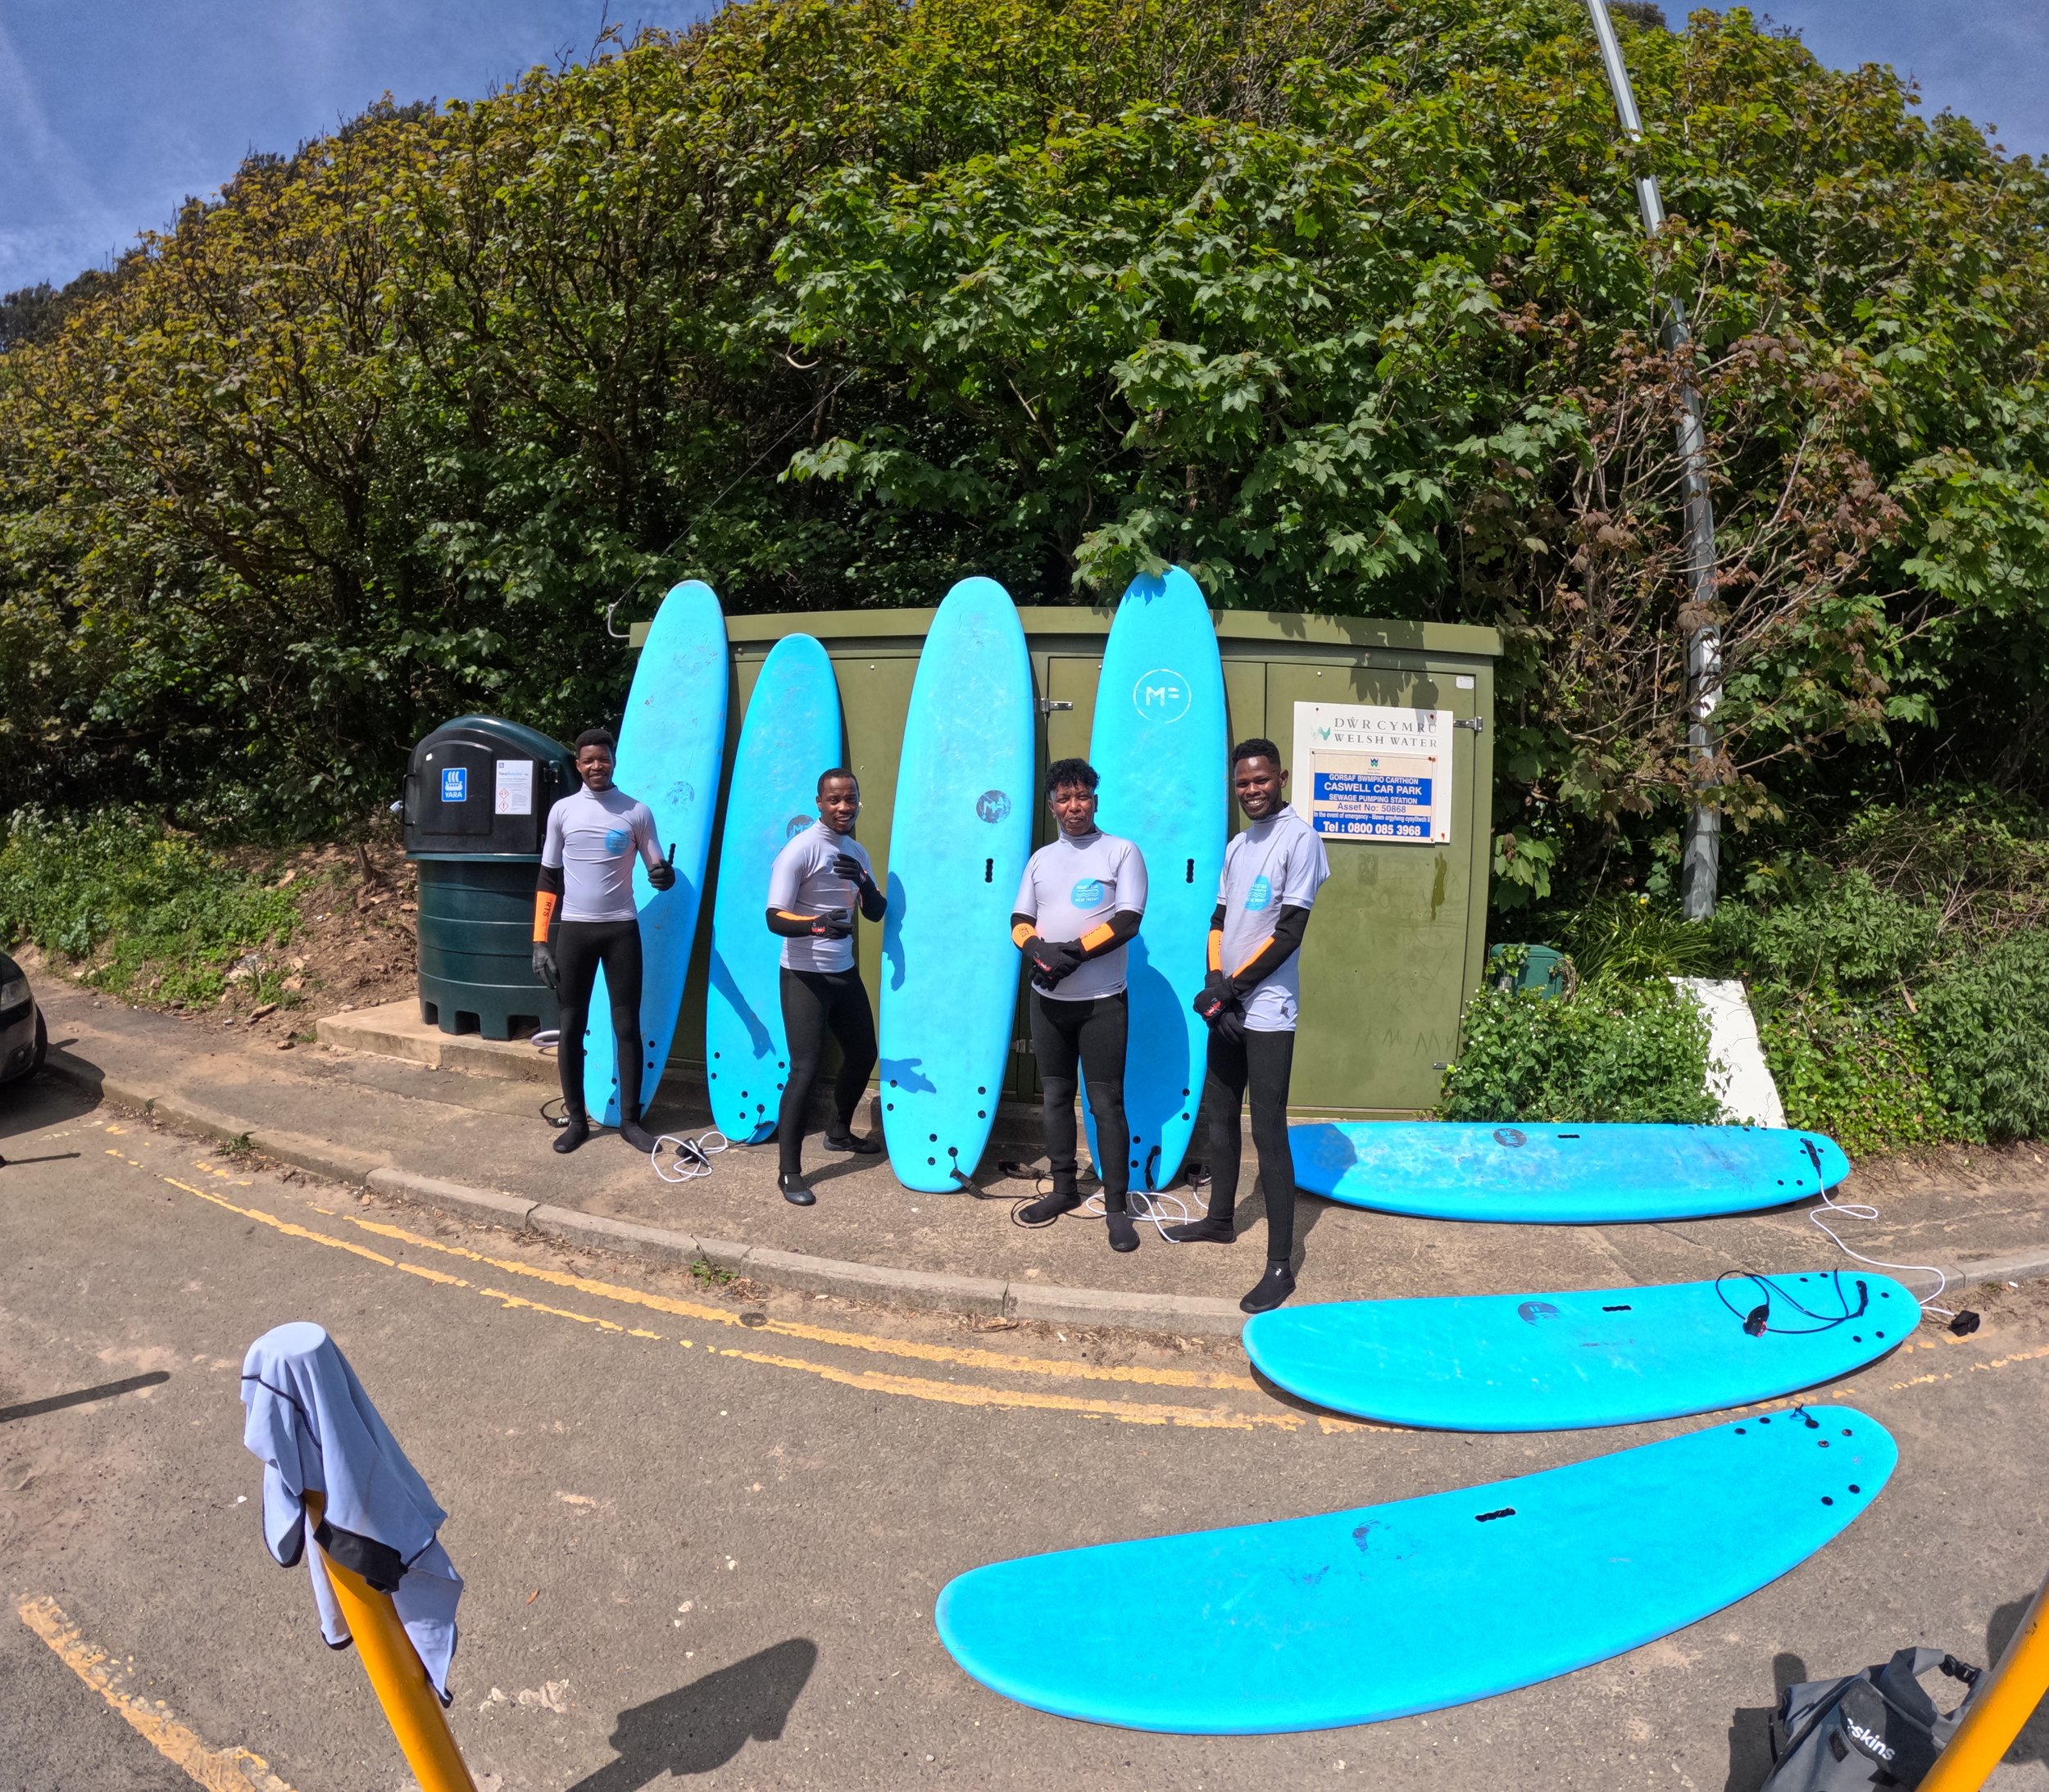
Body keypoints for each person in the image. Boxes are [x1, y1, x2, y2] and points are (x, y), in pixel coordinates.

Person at [1168, 737, 1329, 1313]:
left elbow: (1288, 933)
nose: (1252, 790)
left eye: (1261, 780)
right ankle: (1219, 1219)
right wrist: (1216, 983)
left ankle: (1280, 1266)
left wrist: (1231, 990)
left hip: (1268, 1011)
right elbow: (1219, 918)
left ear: (1280, 777)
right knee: (1219, 1118)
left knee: (1268, 1131)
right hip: (1228, 1004)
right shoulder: (1237, 845)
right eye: (1243, 783)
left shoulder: (1301, 839)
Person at [1010, 758, 1148, 1252]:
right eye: (1064, 799)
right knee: (1053, 1098)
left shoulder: (1120, 852)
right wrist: (1038, 952)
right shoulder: (1041, 859)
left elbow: (1129, 920)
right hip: (1049, 1002)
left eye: (1082, 796)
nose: (1074, 807)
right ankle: (1064, 1189)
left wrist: (1071, 955)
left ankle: (1116, 1206)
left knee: (1106, 1103)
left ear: (1095, 798)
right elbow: (1019, 918)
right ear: (1052, 807)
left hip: (1101, 1003)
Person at [531, 728, 676, 1155]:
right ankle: (577, 1120)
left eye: (604, 759)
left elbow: (658, 868)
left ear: (614, 760)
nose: (597, 766)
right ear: (578, 764)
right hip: (574, 931)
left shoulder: (636, 812)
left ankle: (631, 1120)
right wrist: (540, 942)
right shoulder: (562, 811)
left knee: (627, 1026)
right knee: (572, 1027)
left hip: (620, 930)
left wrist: (663, 877)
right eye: (589, 760)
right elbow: (547, 877)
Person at [763, 769, 888, 1206]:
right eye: (834, 800)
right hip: (804, 976)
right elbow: (775, 916)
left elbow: (875, 912)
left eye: (850, 799)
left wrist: (864, 881)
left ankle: (838, 1133)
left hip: (844, 972)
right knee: (805, 1069)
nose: (843, 807)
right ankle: (789, 1172)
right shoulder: (800, 850)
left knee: (862, 1054)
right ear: (819, 802)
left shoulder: (855, 851)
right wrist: (816, 925)